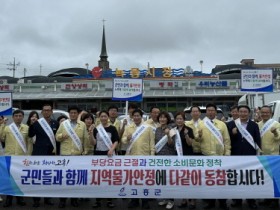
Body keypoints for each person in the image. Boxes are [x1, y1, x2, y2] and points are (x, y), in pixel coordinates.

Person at [227, 105, 261, 209]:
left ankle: (251, 200)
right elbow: (227, 140)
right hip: (235, 155)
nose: (243, 113)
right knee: (237, 178)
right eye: (240, 111)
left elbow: (257, 141)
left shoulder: (254, 125)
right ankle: (237, 200)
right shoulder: (231, 124)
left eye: (245, 112)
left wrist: (257, 155)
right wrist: (232, 134)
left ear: (248, 113)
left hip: (250, 156)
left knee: (250, 179)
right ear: (238, 112)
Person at [198, 103, 230, 210]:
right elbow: (196, 140)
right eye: (208, 110)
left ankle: (222, 202)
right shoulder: (201, 124)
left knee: (221, 181)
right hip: (206, 157)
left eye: (212, 110)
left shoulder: (222, 124)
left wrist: (227, 155)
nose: (210, 112)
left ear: (216, 112)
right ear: (206, 112)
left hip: (220, 157)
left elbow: (226, 140)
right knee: (209, 181)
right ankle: (210, 202)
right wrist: (199, 136)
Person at [55, 105, 89, 208]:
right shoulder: (63, 124)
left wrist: (85, 151)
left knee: (75, 179)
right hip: (65, 156)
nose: (73, 114)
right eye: (71, 113)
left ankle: (74, 199)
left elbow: (85, 139)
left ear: (78, 114)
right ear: (69, 114)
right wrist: (62, 136)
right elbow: (57, 137)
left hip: (77, 156)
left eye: (75, 113)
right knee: (64, 179)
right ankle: (62, 200)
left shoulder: (82, 125)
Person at [122, 109, 155, 209]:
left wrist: (152, 157)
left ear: (142, 117)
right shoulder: (128, 127)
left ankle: (145, 200)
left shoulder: (148, 128)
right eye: (134, 116)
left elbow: (152, 143)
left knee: (144, 180)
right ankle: (134, 200)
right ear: (132, 117)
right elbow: (123, 141)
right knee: (133, 180)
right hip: (132, 158)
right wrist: (127, 139)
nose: (136, 117)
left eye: (138, 116)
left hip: (145, 157)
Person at [28, 104, 59, 208]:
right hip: (39, 154)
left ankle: (47, 198)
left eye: (48, 110)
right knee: (37, 178)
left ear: (51, 111)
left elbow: (57, 139)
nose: (46, 112)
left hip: (51, 155)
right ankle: (36, 199)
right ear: (42, 112)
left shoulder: (56, 123)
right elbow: (30, 135)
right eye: (44, 110)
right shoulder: (37, 123)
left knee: (48, 178)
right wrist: (32, 124)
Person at [0, 110, 30, 207]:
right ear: (13, 117)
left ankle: (20, 199)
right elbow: (1, 137)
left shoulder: (26, 128)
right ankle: (8, 199)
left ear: (22, 117)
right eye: (16, 116)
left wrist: (28, 156)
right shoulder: (7, 128)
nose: (18, 117)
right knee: (9, 179)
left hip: (21, 158)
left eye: (20, 116)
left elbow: (29, 143)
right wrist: (2, 125)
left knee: (19, 179)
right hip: (10, 157)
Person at [91, 111, 119, 208]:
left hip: (109, 155)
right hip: (98, 155)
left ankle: (109, 199)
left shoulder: (112, 128)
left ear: (108, 117)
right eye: (101, 116)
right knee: (98, 178)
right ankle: (97, 200)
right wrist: (90, 133)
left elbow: (116, 140)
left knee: (109, 178)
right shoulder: (96, 129)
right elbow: (93, 143)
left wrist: (111, 149)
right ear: (99, 118)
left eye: (105, 116)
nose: (103, 118)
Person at [258, 105, 280, 208]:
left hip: (273, 156)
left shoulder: (276, 124)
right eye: (263, 112)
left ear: (270, 113)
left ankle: (275, 201)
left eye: (266, 112)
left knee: (274, 179)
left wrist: (275, 132)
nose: (264, 114)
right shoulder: (258, 124)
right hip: (262, 155)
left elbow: (278, 137)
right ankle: (267, 198)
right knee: (265, 179)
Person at [155, 111, 176, 209]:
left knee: (169, 179)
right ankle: (164, 198)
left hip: (169, 157)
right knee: (162, 179)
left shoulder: (171, 129)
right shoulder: (157, 129)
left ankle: (171, 200)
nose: (162, 119)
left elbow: (172, 144)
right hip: (159, 157)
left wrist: (168, 135)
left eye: (164, 118)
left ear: (167, 119)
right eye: (160, 118)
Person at [183, 106, 201, 209]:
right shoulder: (186, 124)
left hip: (201, 152)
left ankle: (194, 199)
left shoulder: (204, 124)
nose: (195, 113)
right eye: (193, 111)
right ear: (190, 114)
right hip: (189, 153)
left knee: (197, 178)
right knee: (187, 177)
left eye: (196, 111)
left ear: (199, 113)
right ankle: (185, 198)